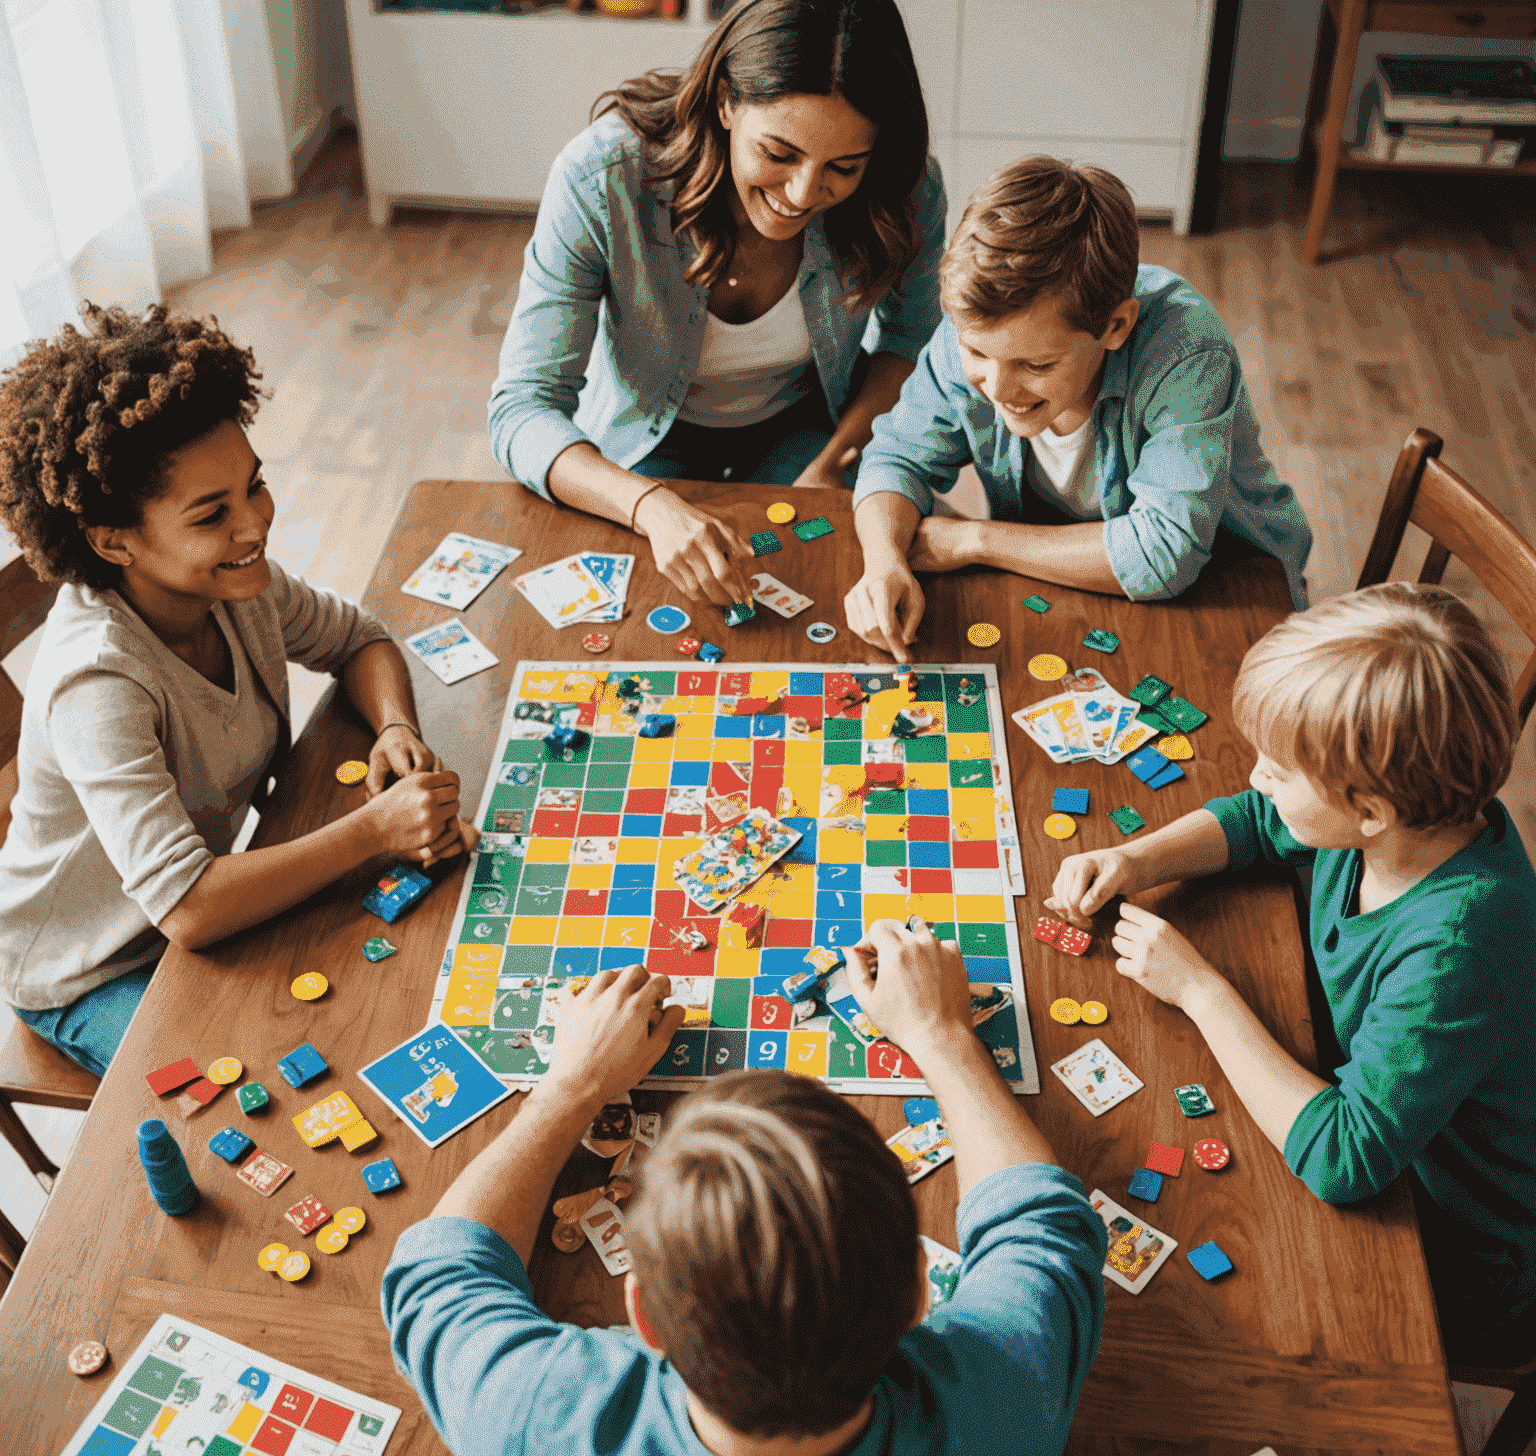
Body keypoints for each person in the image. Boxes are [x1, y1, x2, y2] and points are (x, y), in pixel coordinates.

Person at [382, 918, 1107, 1456]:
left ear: (646, 1317)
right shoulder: (1006, 1399)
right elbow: (1040, 1222)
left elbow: (439, 1271)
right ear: (921, 1292)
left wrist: (568, 1088)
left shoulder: (538, 1428)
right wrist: (942, 1034)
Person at [1050, 584, 1536, 1366]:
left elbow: (1347, 1158)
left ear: (1368, 809)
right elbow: (1259, 824)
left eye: (1278, 768)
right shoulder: (1403, 824)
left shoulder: (1460, 945)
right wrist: (1135, 859)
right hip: (1367, 1110)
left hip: (1451, 1248)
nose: (1256, 777)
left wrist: (1200, 990)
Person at [0, 304, 475, 1075]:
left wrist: (392, 727)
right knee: (263, 1077)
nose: (254, 526)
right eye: (211, 513)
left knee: (379, 1001)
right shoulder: (96, 681)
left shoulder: (236, 583)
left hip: (215, 891)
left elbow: (360, 638)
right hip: (93, 968)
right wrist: (374, 830)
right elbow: (189, 907)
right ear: (114, 539)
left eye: (253, 487)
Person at [488, 0, 946, 612]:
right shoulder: (601, 175)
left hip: (811, 427)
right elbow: (522, 408)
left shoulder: (906, 185)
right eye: (778, 154)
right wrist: (649, 507)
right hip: (643, 437)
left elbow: (910, 342)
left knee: (863, 579)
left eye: (843, 167)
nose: (803, 194)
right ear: (727, 101)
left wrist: (835, 460)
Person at [845, 156, 1312, 662]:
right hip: (1069, 579)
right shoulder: (977, 327)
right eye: (977, 353)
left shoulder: (1187, 349)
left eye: (1037, 363)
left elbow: (1164, 555)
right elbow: (894, 456)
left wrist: (975, 539)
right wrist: (883, 559)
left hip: (1232, 593)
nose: (997, 387)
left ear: (1115, 327)